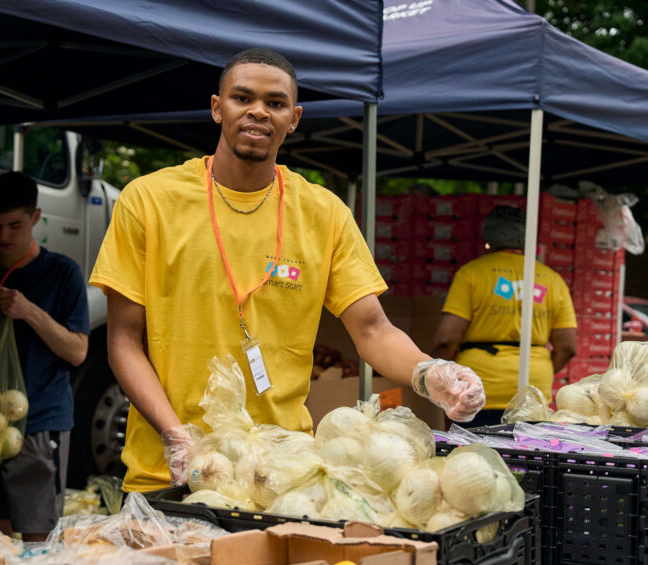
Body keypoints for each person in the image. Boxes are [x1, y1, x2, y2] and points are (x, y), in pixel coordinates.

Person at [89, 48, 485, 492]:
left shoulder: (324, 213)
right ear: (217, 108)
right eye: (242, 98)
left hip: (280, 474)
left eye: (275, 103)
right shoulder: (148, 200)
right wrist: (177, 437)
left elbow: (373, 330)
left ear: (293, 118)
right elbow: (123, 341)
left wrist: (428, 372)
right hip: (169, 471)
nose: (258, 111)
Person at [0, 172, 89, 541]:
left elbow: (78, 351)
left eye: (14, 225)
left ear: (35, 217)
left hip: (41, 421)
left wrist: (29, 311)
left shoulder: (62, 273)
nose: (3, 236)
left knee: (37, 538)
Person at [429, 206, 578, 427]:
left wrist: (436, 376)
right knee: (525, 449)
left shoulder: (471, 273)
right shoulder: (553, 280)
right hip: (533, 386)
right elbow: (567, 347)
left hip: (479, 384)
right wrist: (539, 368)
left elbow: (446, 339)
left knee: (473, 448)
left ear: (488, 236)